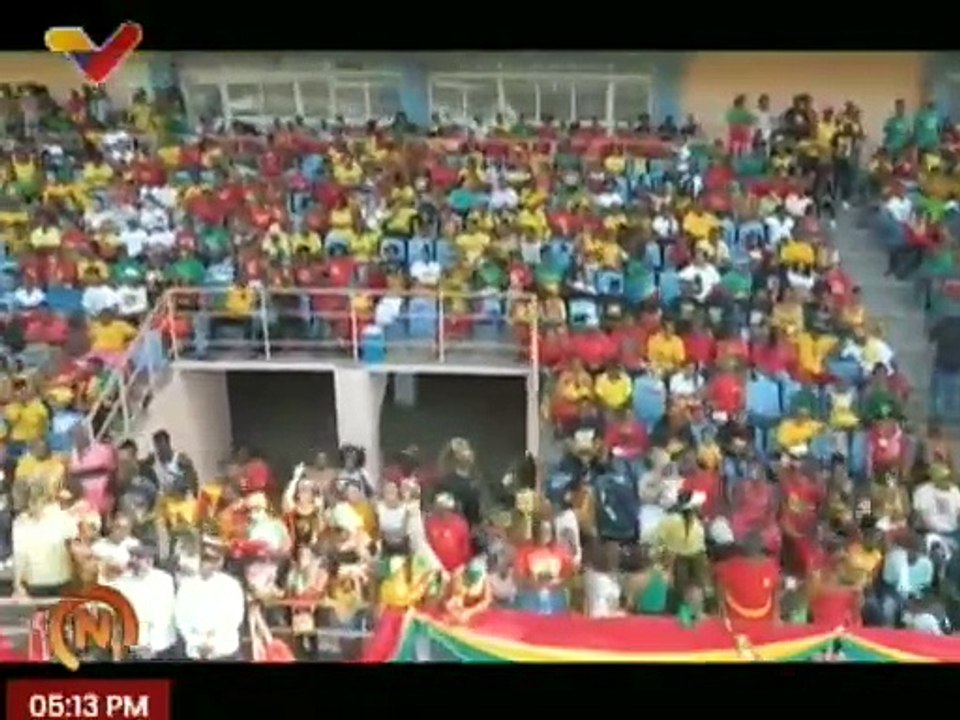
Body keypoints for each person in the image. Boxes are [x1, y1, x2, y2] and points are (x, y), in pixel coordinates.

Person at [174, 542, 246, 661]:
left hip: (224, 650)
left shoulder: (231, 585)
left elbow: (235, 618)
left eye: (213, 560)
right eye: (205, 559)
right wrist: (197, 640)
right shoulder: (186, 586)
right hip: (195, 650)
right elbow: (181, 618)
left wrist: (212, 641)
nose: (207, 564)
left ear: (220, 562)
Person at [115, 542, 179, 660]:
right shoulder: (121, 581)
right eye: (132, 556)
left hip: (159, 645)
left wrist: (151, 646)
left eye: (139, 558)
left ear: (150, 561)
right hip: (131, 644)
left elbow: (164, 615)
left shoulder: (163, 580)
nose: (133, 561)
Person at [12, 482, 75, 597]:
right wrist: (17, 584)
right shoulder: (20, 523)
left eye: (37, 500)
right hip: (35, 584)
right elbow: (19, 554)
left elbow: (73, 544)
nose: (33, 505)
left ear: (45, 500)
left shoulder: (62, 518)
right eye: (30, 501)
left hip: (62, 582)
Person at [713, 532, 780, 632]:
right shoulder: (731, 566)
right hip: (738, 622)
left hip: (759, 623)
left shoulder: (729, 566)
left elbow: (775, 592)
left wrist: (776, 616)